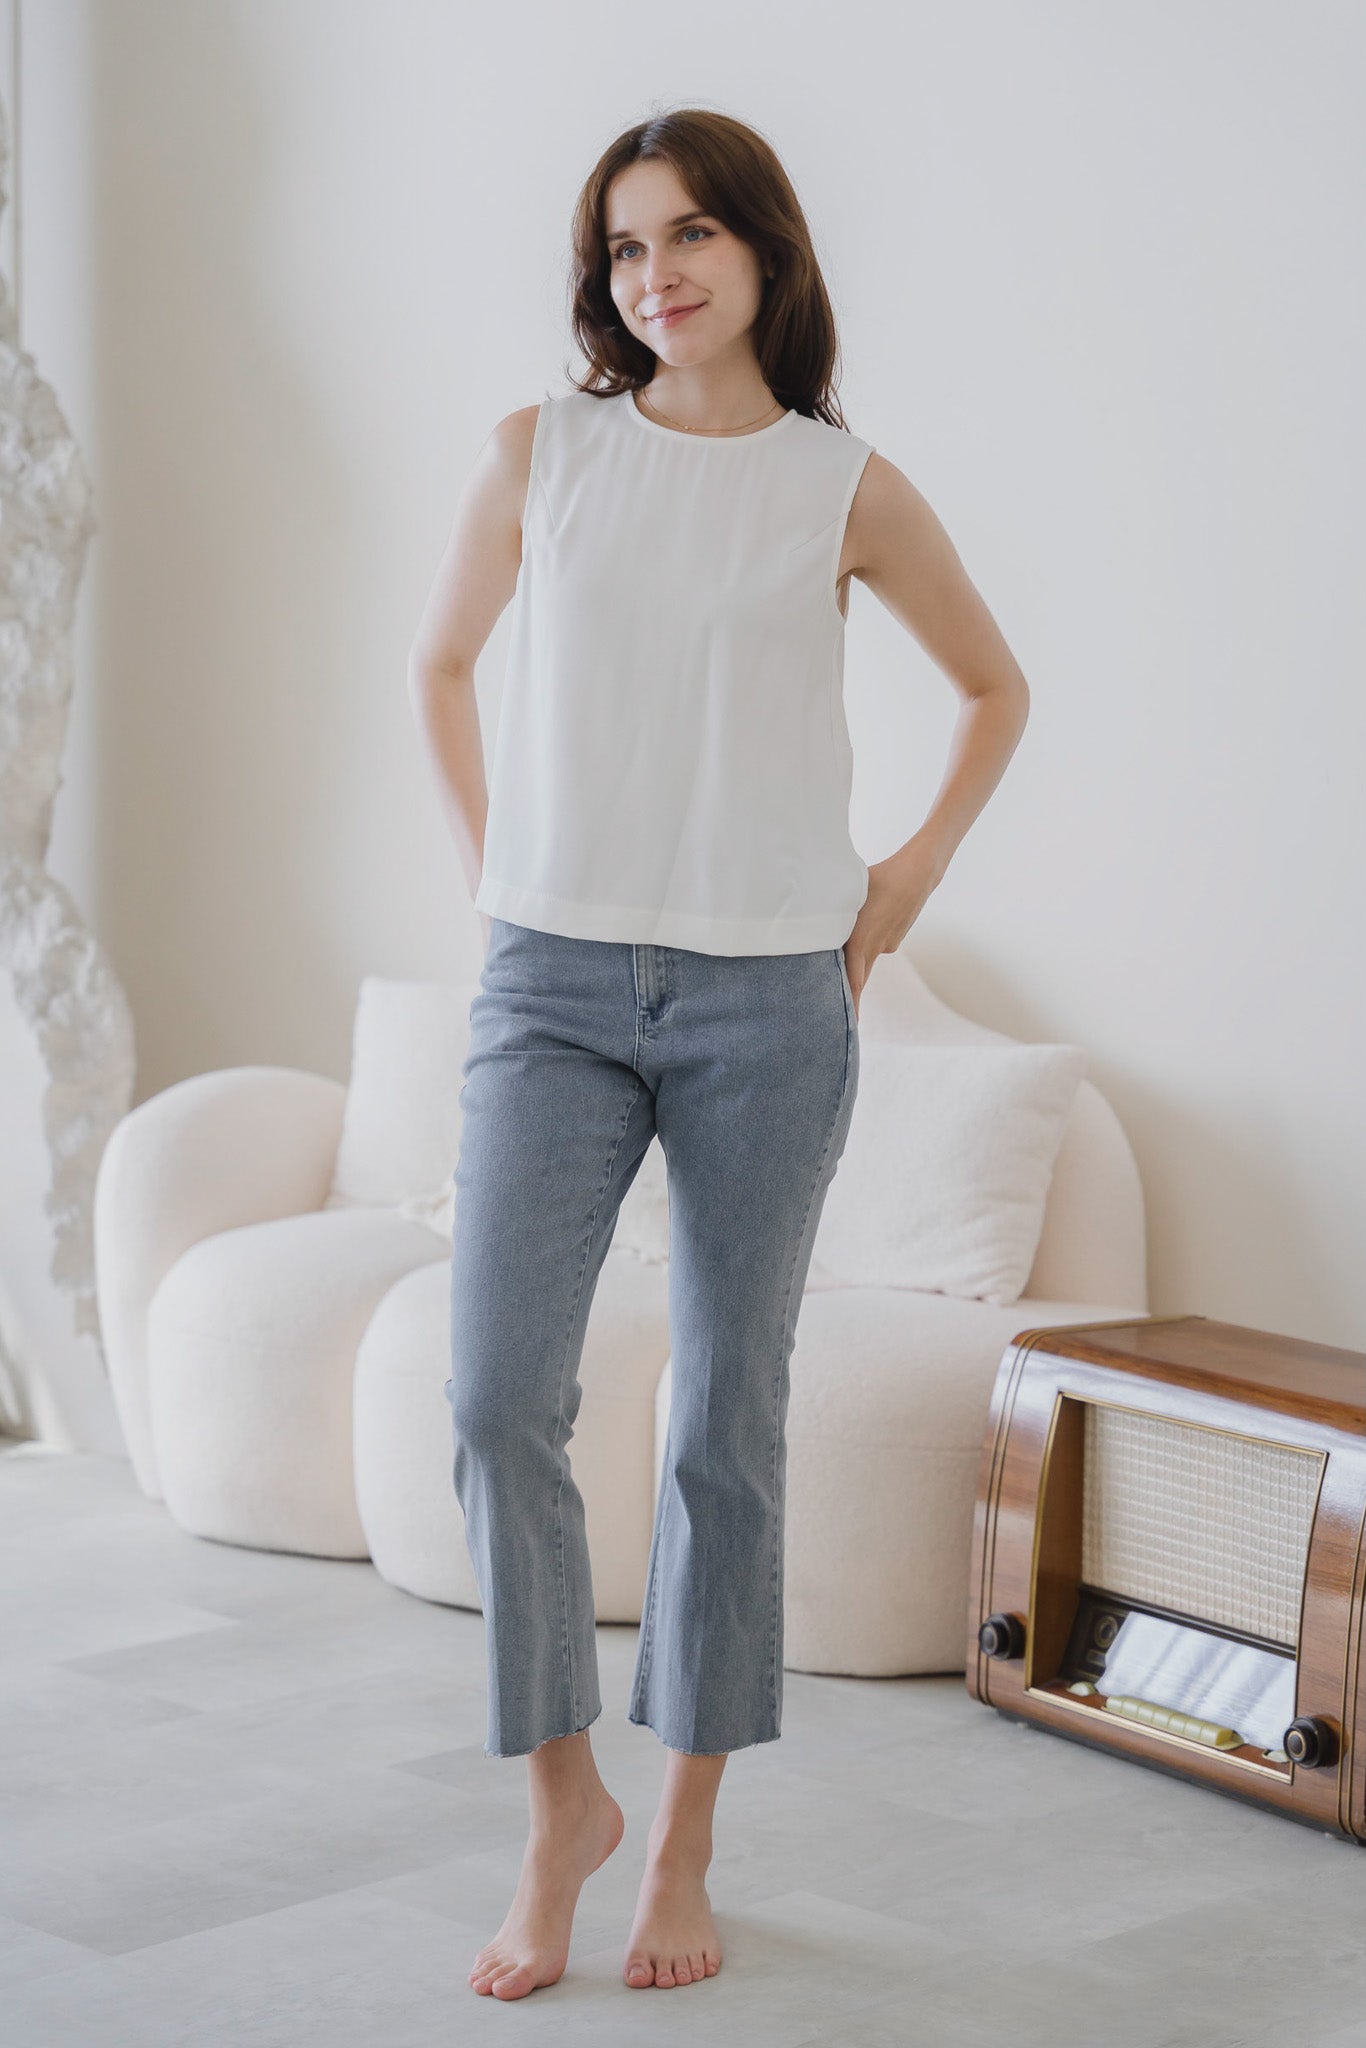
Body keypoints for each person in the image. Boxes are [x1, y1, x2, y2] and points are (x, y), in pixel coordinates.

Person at [408, 106, 1030, 2003]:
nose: (654, 274)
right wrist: (500, 878)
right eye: (622, 246)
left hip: (769, 1004)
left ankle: (680, 1836)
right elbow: (437, 666)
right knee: (493, 1400)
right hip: (549, 990)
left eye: (688, 235)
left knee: (720, 1425)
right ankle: (561, 1814)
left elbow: (993, 687)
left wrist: (897, 889)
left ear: (764, 250)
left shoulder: (842, 487)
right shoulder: (542, 454)